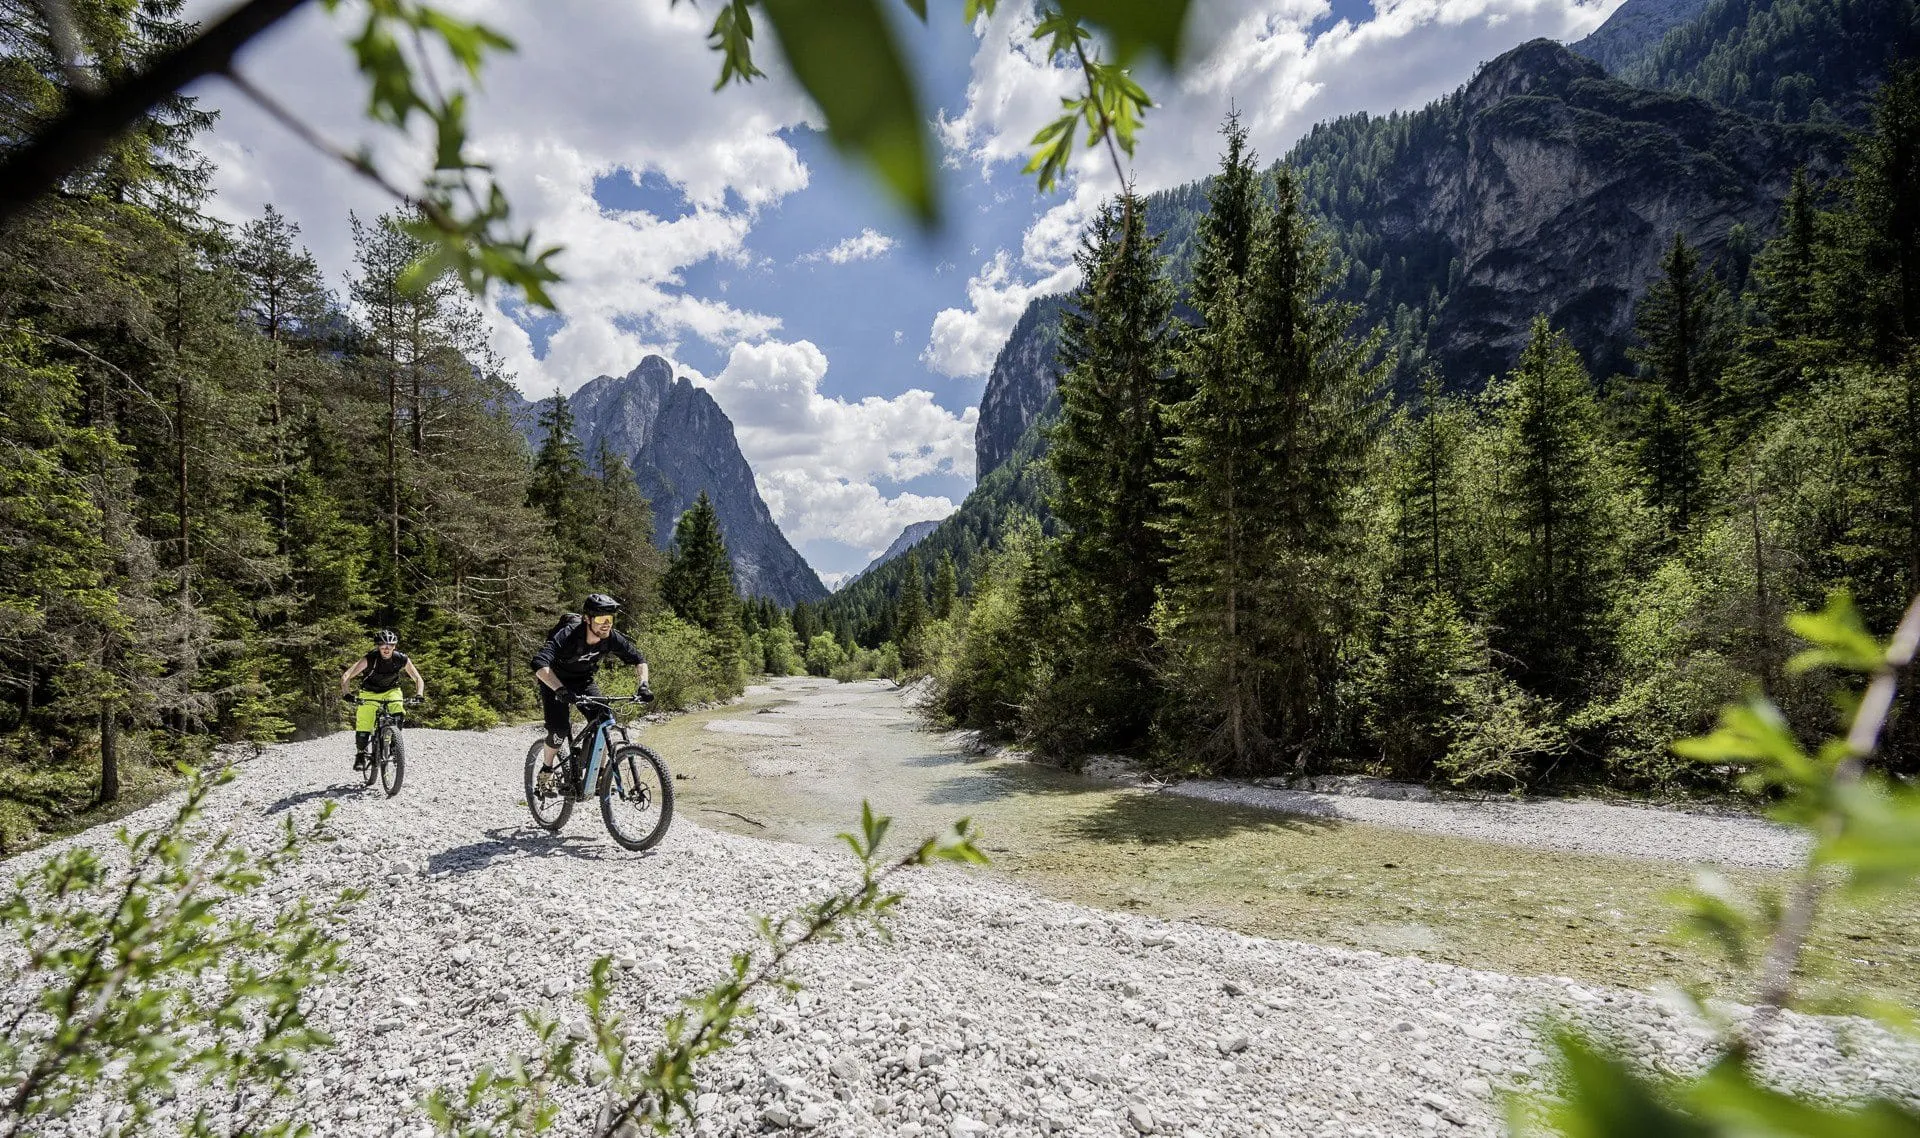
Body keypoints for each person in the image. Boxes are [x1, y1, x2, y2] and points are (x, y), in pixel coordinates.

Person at [531, 593, 652, 784]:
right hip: (554, 681)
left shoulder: (611, 638)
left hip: (582, 681)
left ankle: (600, 775)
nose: (606, 624)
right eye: (600, 619)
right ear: (587, 619)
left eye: (610, 619)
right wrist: (560, 690)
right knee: (559, 730)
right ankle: (546, 769)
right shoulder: (568, 635)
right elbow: (539, 663)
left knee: (604, 720)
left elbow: (639, 659)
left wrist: (644, 685)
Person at [340, 629, 426, 769]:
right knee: (364, 722)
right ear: (378, 646)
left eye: (390, 645)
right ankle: (361, 754)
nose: (387, 648)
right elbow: (347, 675)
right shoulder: (370, 658)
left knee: (398, 711)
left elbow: (417, 678)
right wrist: (347, 694)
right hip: (369, 692)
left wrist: (419, 695)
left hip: (391, 690)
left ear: (395, 646)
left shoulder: (401, 658)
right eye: (383, 645)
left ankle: (394, 746)